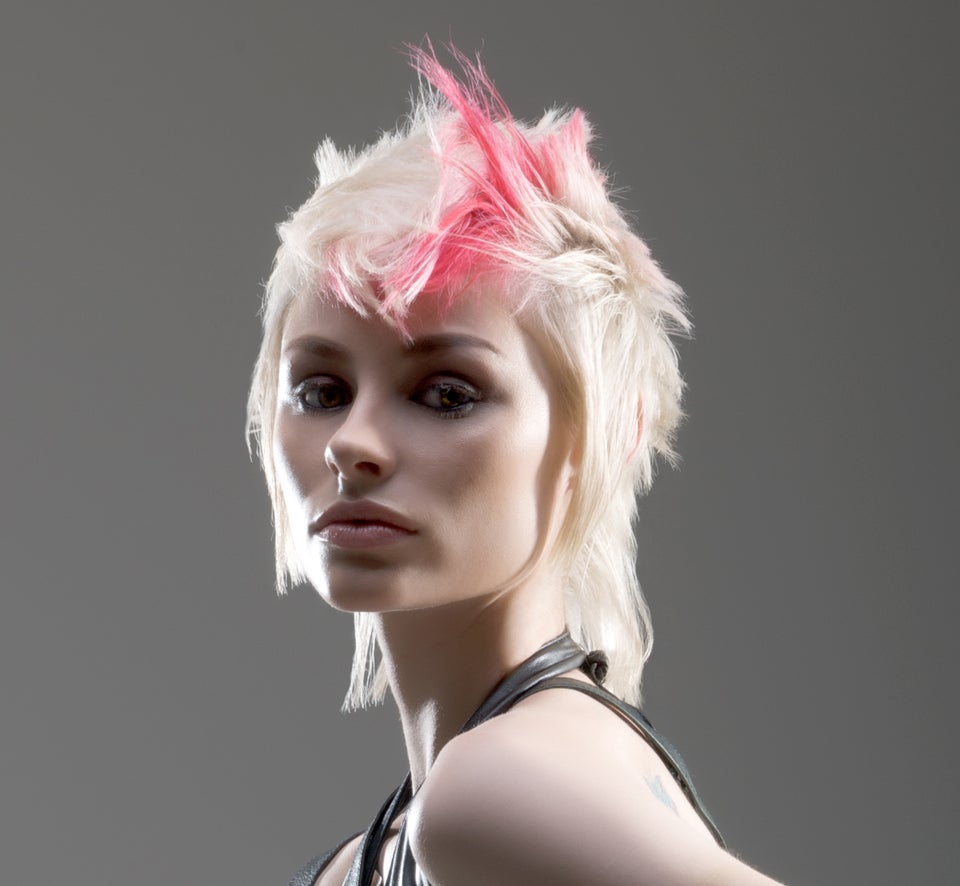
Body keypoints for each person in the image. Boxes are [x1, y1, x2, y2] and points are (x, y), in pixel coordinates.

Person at [248, 43, 787, 886]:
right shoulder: (368, 858)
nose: (351, 442)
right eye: (320, 390)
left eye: (446, 394)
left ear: (601, 436)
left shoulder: (496, 789)